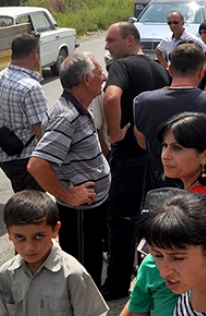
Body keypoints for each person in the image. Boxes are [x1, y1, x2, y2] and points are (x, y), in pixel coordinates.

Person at [123, 113, 206, 316]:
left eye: (177, 148)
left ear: (205, 155)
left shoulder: (202, 204)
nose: (165, 155)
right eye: (165, 146)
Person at [27, 52, 110, 289]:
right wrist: (69, 197)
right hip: (81, 212)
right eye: (99, 72)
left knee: (92, 262)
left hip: (92, 208)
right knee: (84, 271)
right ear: (86, 79)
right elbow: (37, 164)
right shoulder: (68, 116)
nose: (104, 77)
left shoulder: (80, 106)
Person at [102, 21, 171, 300]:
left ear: (130, 41)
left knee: (120, 221)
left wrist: (115, 132)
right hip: (155, 160)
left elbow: (111, 97)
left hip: (129, 157)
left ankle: (117, 284)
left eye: (111, 41)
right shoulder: (158, 68)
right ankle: (156, 280)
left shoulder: (122, 66)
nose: (106, 47)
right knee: (154, 221)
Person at [134, 43, 206, 191]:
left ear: (170, 70)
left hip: (159, 193)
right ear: (201, 72)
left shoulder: (142, 102)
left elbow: (143, 142)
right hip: (203, 195)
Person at [0, 190, 108, 316]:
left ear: (55, 229)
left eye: (39, 236)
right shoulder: (6, 275)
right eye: (20, 237)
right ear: (8, 232)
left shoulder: (73, 274)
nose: (29, 247)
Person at [0, 33, 48, 193]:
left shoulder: (1, 78)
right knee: (34, 210)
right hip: (28, 161)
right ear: (35, 53)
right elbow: (41, 131)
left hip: (6, 156)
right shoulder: (31, 87)